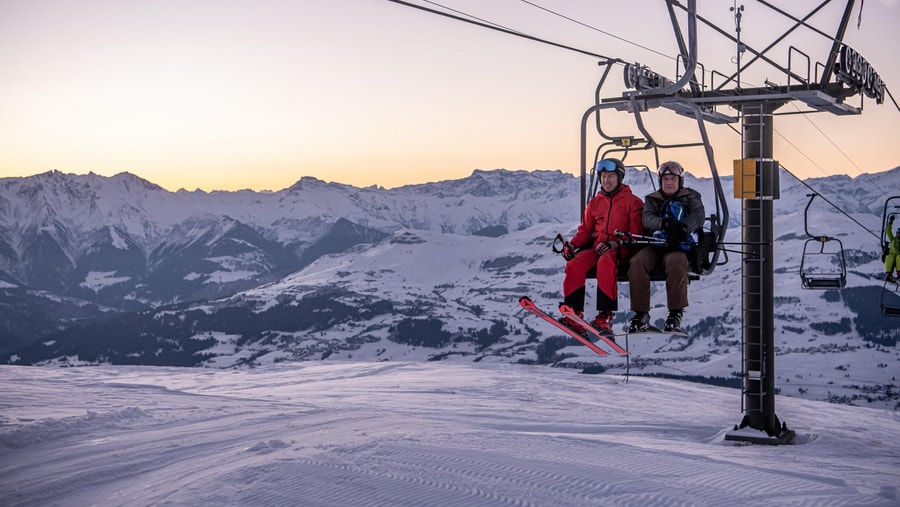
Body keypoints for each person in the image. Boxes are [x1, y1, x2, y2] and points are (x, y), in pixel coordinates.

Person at [559, 158, 643, 334]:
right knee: (575, 263)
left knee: (605, 262)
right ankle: (574, 312)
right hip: (597, 247)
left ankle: (605, 315)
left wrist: (616, 243)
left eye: (610, 176)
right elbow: (585, 231)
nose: (606, 181)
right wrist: (573, 246)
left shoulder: (632, 202)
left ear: (619, 177)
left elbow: (637, 234)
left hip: (621, 249)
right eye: (603, 176)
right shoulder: (595, 203)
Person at [627, 161, 705, 333]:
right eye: (665, 179)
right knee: (637, 262)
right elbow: (647, 219)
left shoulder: (691, 197)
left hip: (680, 246)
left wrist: (684, 228)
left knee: (676, 262)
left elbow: (698, 215)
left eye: (672, 179)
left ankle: (675, 313)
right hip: (657, 244)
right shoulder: (653, 199)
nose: (669, 182)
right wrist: (664, 224)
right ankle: (641, 314)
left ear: (680, 180)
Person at [885, 215, 900, 282]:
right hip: (893, 255)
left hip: (899, 256)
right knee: (889, 257)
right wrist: (890, 223)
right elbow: (888, 231)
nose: (898, 235)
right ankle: (888, 274)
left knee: (899, 257)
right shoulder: (893, 239)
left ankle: (899, 273)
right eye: (897, 233)